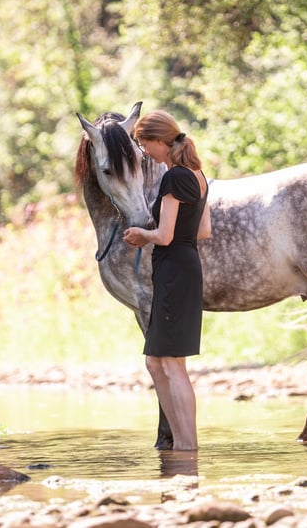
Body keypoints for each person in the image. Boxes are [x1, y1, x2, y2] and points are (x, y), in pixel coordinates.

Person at [122, 110, 211, 451]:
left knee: (172, 364)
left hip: (175, 271)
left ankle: (188, 446)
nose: (145, 152)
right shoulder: (198, 175)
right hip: (183, 268)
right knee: (156, 361)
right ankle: (180, 444)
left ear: (160, 141)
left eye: (145, 145)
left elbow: (164, 234)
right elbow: (204, 230)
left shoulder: (174, 178)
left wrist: (141, 234)